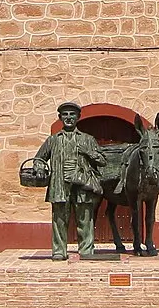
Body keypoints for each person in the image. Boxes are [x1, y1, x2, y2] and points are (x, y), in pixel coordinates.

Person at [32, 101, 105, 260]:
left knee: (84, 219)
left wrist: (90, 153)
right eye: (65, 114)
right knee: (59, 220)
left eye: (72, 114)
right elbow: (39, 159)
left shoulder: (87, 139)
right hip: (60, 184)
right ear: (60, 118)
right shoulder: (53, 140)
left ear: (78, 117)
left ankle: (86, 250)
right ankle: (59, 251)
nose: (69, 117)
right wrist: (39, 168)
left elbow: (102, 161)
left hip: (82, 185)